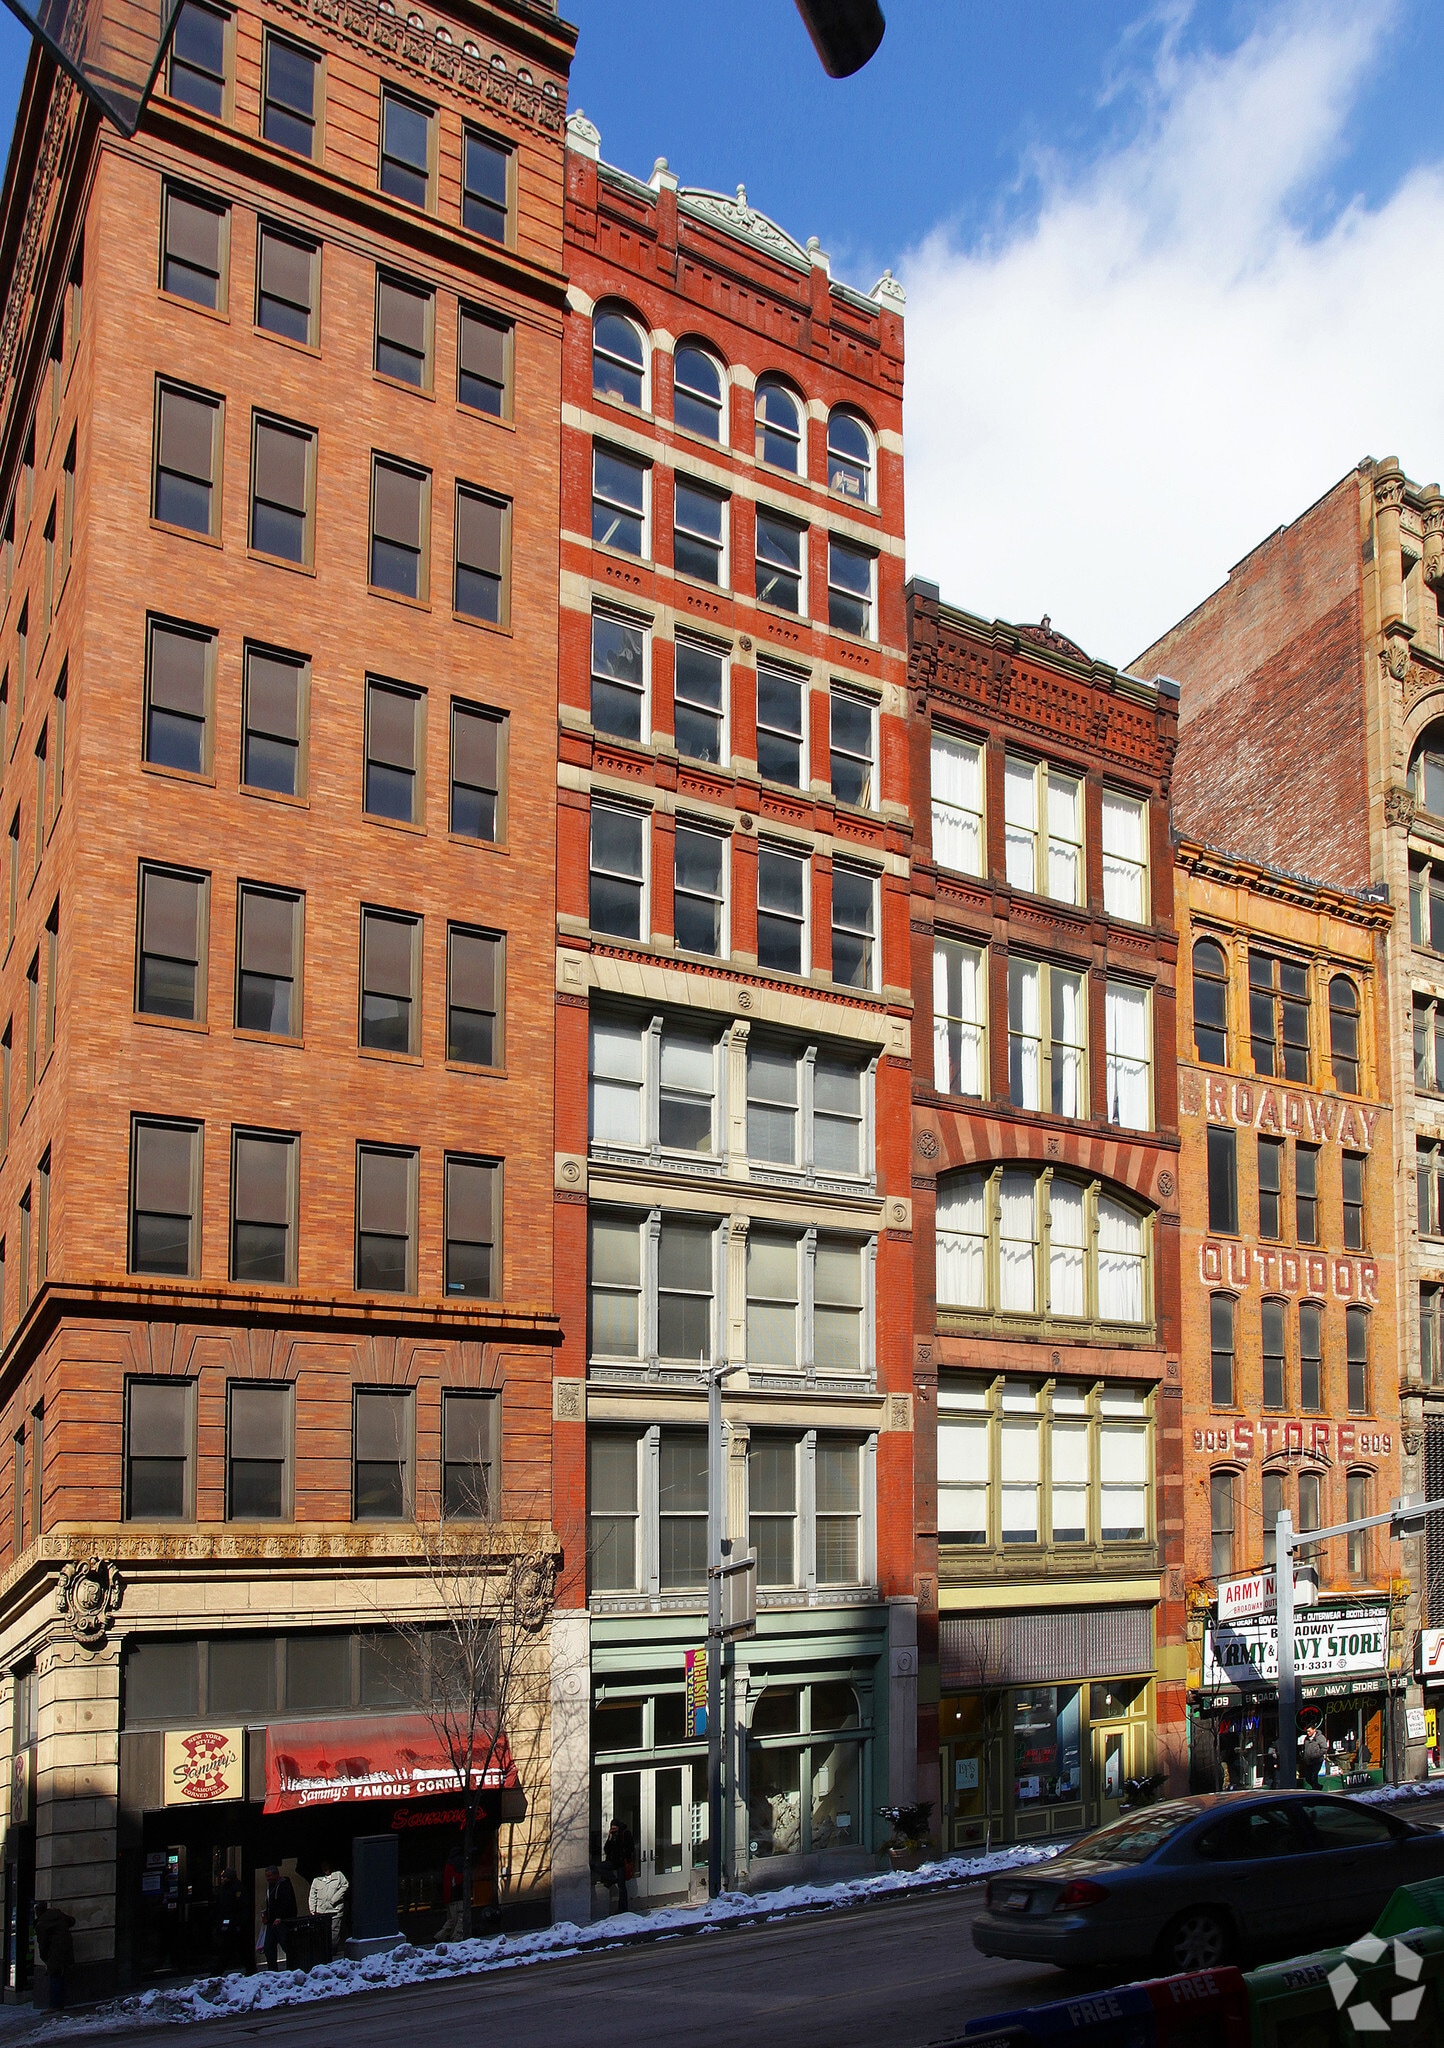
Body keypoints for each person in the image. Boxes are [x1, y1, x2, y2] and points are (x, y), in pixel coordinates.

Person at [33, 1900, 74, 2011]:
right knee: (60, 1975)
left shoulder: (42, 1925)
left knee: (55, 1976)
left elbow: (43, 1945)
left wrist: (45, 1958)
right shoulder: (58, 1915)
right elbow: (71, 1921)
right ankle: (58, 2003)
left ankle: (55, 2005)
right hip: (67, 1948)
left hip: (55, 1952)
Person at [592, 1816, 635, 1915]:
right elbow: (607, 1850)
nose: (614, 1830)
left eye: (615, 1828)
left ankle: (623, 1908)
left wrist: (624, 1855)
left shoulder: (625, 1834)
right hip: (613, 1862)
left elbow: (630, 1848)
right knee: (596, 1866)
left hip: (622, 1863)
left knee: (621, 1887)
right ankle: (611, 1878)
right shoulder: (613, 1837)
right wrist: (610, 1838)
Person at [307, 1860, 348, 1958]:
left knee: (334, 1932)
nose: (325, 1868)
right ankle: (323, 1952)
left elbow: (345, 1886)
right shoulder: (317, 1880)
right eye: (323, 1866)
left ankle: (332, 1952)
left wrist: (334, 1900)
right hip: (321, 1911)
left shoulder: (338, 1875)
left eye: (327, 1866)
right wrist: (312, 1909)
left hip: (335, 1910)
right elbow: (313, 1895)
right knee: (322, 1932)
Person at [214, 1866, 251, 1975]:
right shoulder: (225, 1889)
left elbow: (242, 1908)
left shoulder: (237, 1889)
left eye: (224, 1877)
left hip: (235, 1925)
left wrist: (238, 1923)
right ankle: (250, 1971)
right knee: (235, 1950)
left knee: (236, 1950)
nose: (222, 1879)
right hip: (230, 1924)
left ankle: (217, 1972)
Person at [261, 1864, 297, 1970]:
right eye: (266, 1876)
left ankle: (293, 1967)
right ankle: (272, 1970)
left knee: (286, 1945)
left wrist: (280, 1917)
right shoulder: (270, 1887)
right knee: (268, 1947)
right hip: (271, 1921)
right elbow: (269, 1902)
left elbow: (287, 1903)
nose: (268, 1879)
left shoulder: (284, 1885)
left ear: (276, 1875)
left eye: (269, 1876)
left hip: (283, 1921)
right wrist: (266, 1914)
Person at [438, 1845, 465, 1942]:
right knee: (460, 1917)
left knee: (451, 1919)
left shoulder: (449, 1862)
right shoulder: (458, 1862)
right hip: (457, 1895)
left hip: (449, 1896)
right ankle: (457, 1937)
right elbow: (458, 1879)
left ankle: (440, 1936)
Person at [1301, 1723, 1328, 1789]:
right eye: (1307, 1731)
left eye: (1309, 1731)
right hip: (1308, 1761)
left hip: (1317, 1760)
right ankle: (1318, 1787)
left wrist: (1316, 1755)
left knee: (1314, 1777)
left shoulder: (1320, 1737)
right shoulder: (1306, 1739)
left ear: (1314, 1730)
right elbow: (1304, 1748)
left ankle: (1315, 1790)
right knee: (1308, 1778)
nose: (1308, 1733)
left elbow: (1324, 1749)